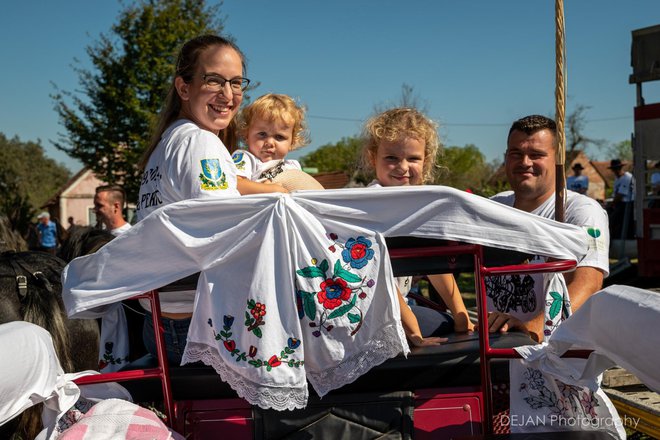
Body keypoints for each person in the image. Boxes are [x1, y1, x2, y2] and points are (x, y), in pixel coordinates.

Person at [135, 35, 286, 365]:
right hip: (194, 328)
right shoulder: (199, 143)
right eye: (214, 80)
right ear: (184, 88)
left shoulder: (168, 141)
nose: (228, 95)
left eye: (235, 83)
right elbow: (225, 235)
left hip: (161, 322)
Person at [486, 115, 609, 343]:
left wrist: (531, 329)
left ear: (557, 159)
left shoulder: (582, 211)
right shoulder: (491, 208)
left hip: (558, 353)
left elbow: (587, 283)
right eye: (516, 154)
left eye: (537, 155)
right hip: (495, 349)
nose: (525, 162)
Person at [361, 108, 475, 346]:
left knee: (452, 324)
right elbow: (377, 274)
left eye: (413, 159)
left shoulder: (419, 204)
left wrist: (462, 315)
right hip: (371, 311)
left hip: (403, 303)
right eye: (391, 158)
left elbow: (434, 264)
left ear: (426, 161)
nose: (403, 167)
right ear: (373, 158)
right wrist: (412, 328)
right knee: (442, 327)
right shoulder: (369, 205)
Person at [232, 93, 309, 194]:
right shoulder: (245, 158)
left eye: (279, 137)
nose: (269, 143)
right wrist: (271, 189)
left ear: (292, 142)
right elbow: (235, 184)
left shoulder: (292, 166)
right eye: (262, 134)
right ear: (247, 135)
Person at [609, 158, 635, 239]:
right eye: (614, 169)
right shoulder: (617, 179)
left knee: (613, 220)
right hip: (620, 203)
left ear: (621, 168)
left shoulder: (627, 177)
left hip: (627, 204)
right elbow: (616, 194)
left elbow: (621, 195)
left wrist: (612, 203)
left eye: (617, 168)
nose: (616, 170)